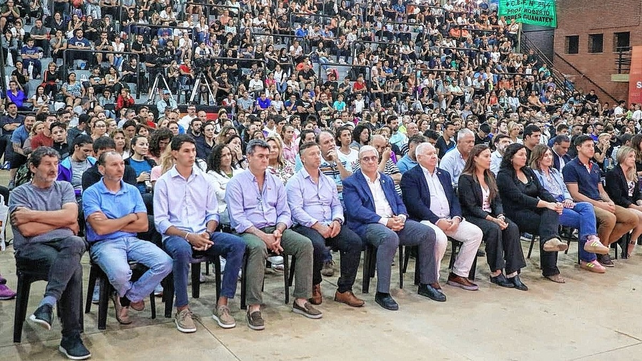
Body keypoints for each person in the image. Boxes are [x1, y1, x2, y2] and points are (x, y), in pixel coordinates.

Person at [154, 135, 246, 332]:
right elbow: (161, 221)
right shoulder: (164, 182)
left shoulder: (203, 179)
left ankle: (222, 303)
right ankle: (183, 308)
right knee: (181, 251)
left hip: (203, 232)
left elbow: (213, 213)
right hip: (177, 236)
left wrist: (206, 233)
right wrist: (188, 237)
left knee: (237, 244)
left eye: (193, 151)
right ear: (175, 153)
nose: (191, 155)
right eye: (186, 151)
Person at [226, 139, 320, 330]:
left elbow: (285, 212)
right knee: (258, 248)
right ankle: (254, 307)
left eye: (267, 156)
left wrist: (278, 231)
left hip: (275, 229)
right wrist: (264, 236)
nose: (265, 160)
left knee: (305, 244)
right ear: (248, 157)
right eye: (260, 156)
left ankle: (301, 300)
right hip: (249, 231)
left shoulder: (276, 181)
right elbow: (238, 219)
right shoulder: (236, 183)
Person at [9, 147, 91, 360]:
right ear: (33, 167)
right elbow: (26, 231)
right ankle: (71, 337)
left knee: (75, 241)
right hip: (31, 250)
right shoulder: (20, 193)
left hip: (64, 245)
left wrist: (33, 216)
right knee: (72, 266)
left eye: (55, 164)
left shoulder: (63, 187)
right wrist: (61, 221)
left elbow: (72, 218)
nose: (53, 169)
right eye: (47, 164)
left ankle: (47, 305)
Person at [343, 145, 443, 311]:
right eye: (365, 159)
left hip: (394, 220)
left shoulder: (386, 179)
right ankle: (382, 292)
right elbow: (356, 211)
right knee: (389, 238)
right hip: (368, 225)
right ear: (359, 162)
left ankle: (426, 283)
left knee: (427, 233)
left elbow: (399, 202)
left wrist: (402, 217)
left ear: (378, 159)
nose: (370, 161)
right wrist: (385, 221)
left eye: (373, 158)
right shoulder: (351, 183)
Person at [82, 151, 172, 324]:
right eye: (114, 165)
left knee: (165, 262)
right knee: (122, 273)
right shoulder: (92, 193)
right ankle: (129, 294)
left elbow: (143, 225)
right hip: (104, 243)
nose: (120, 168)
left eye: (121, 164)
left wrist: (112, 222)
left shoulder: (131, 191)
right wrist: (129, 217)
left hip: (131, 240)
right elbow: (100, 229)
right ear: (101, 169)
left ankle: (127, 296)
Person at [286, 142, 364, 307]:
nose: (317, 156)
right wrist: (316, 225)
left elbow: (336, 205)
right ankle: (314, 285)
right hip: (306, 226)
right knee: (316, 246)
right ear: (302, 158)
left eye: (317, 153)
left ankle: (344, 290)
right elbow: (296, 210)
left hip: (330, 224)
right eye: (312, 154)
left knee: (355, 242)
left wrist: (337, 220)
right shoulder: (295, 182)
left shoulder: (328, 181)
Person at [401, 143, 482, 290]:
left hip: (449, 219)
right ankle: (432, 278)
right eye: (429, 154)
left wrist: (457, 217)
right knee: (440, 239)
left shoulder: (443, 174)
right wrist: (437, 221)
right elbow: (414, 204)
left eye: (434, 153)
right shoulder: (411, 176)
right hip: (425, 220)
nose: (434, 156)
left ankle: (459, 274)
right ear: (419, 158)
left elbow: (453, 199)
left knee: (475, 233)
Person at [530, 144, 609, 273]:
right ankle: (588, 259)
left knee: (587, 206)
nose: (549, 157)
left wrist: (567, 199)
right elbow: (538, 193)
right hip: (550, 207)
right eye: (545, 155)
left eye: (550, 154)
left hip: (564, 202)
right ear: (538, 157)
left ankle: (592, 240)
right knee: (585, 221)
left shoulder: (555, 172)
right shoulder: (533, 173)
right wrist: (556, 202)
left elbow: (565, 189)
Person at [458, 145, 528, 290]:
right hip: (473, 216)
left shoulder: (490, 176)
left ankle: (512, 272)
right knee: (494, 229)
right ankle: (496, 272)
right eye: (486, 156)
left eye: (490, 156)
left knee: (512, 227)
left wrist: (500, 215)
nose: (490, 159)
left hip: (492, 215)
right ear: (475, 158)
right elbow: (471, 207)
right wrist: (493, 219)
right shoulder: (465, 178)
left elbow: (497, 200)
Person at [497, 143, 568, 283]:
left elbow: (541, 191)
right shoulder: (503, 175)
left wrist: (555, 202)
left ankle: (550, 242)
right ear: (511, 157)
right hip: (514, 212)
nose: (525, 157)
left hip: (532, 209)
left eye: (525, 154)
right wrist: (547, 204)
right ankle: (550, 268)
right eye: (521, 154)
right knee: (549, 226)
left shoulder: (528, 171)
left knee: (551, 214)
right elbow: (519, 198)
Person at [563, 135, 638, 267]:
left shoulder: (595, 166)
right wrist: (599, 204)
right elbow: (575, 194)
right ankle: (601, 252)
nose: (592, 149)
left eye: (592, 146)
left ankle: (602, 246)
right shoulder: (571, 166)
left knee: (632, 218)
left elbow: (601, 190)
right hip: (582, 204)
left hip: (599, 201)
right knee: (609, 218)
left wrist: (609, 202)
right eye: (588, 146)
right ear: (578, 148)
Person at [605, 146, 642, 257]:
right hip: (619, 204)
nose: (633, 159)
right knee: (640, 216)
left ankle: (631, 241)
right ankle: (627, 243)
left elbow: (637, 194)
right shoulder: (613, 173)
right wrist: (635, 207)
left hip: (631, 204)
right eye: (630, 156)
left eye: (634, 156)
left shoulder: (632, 173)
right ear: (622, 157)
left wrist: (640, 203)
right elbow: (617, 197)